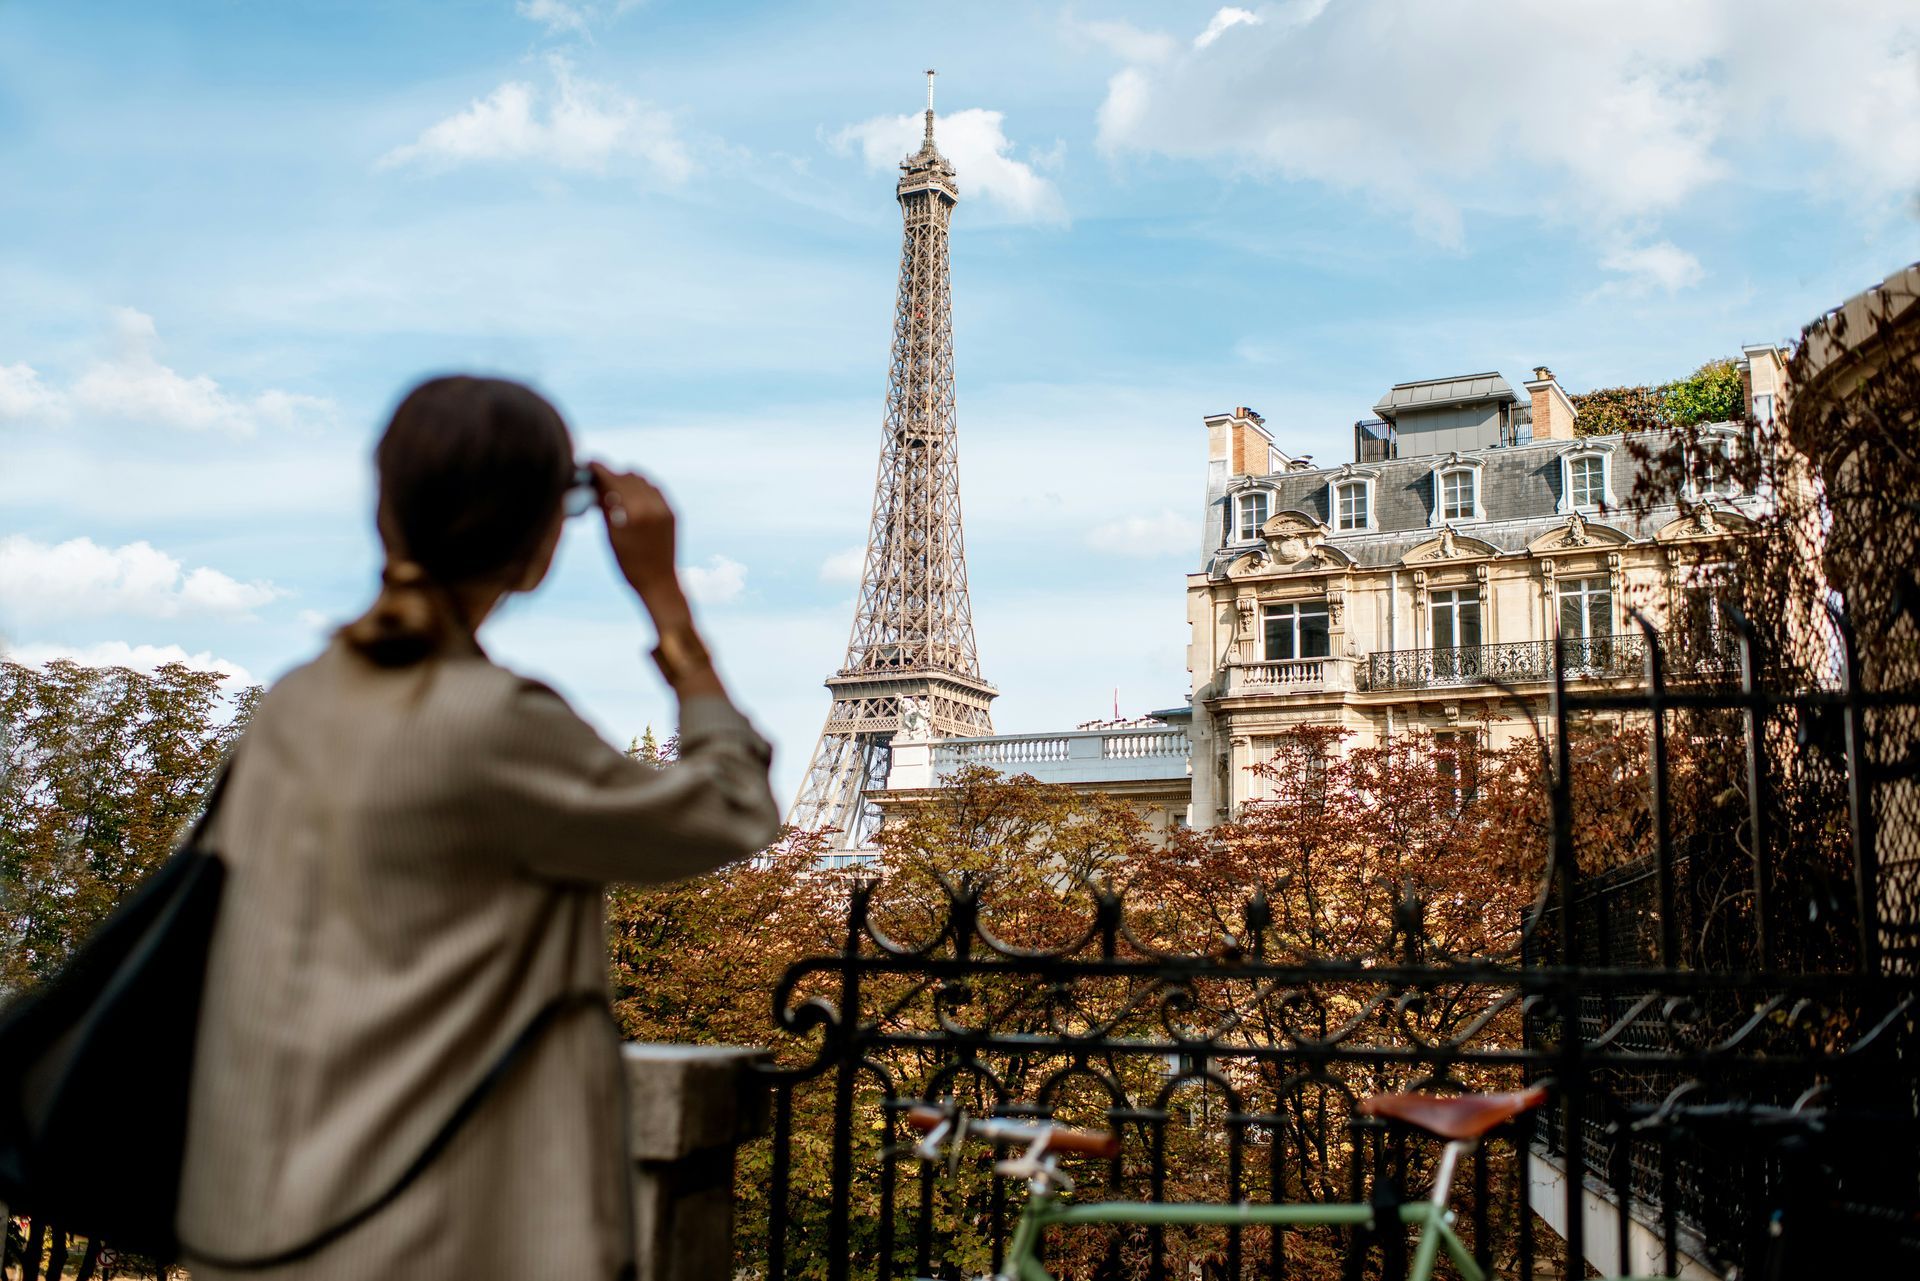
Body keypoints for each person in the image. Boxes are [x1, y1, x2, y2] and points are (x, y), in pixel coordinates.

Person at [176, 375, 780, 1279]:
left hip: (258, 1220)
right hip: (433, 1229)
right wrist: (668, 606)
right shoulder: (498, 725)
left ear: (387, 515)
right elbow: (735, 806)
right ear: (542, 547)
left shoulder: (294, 706)